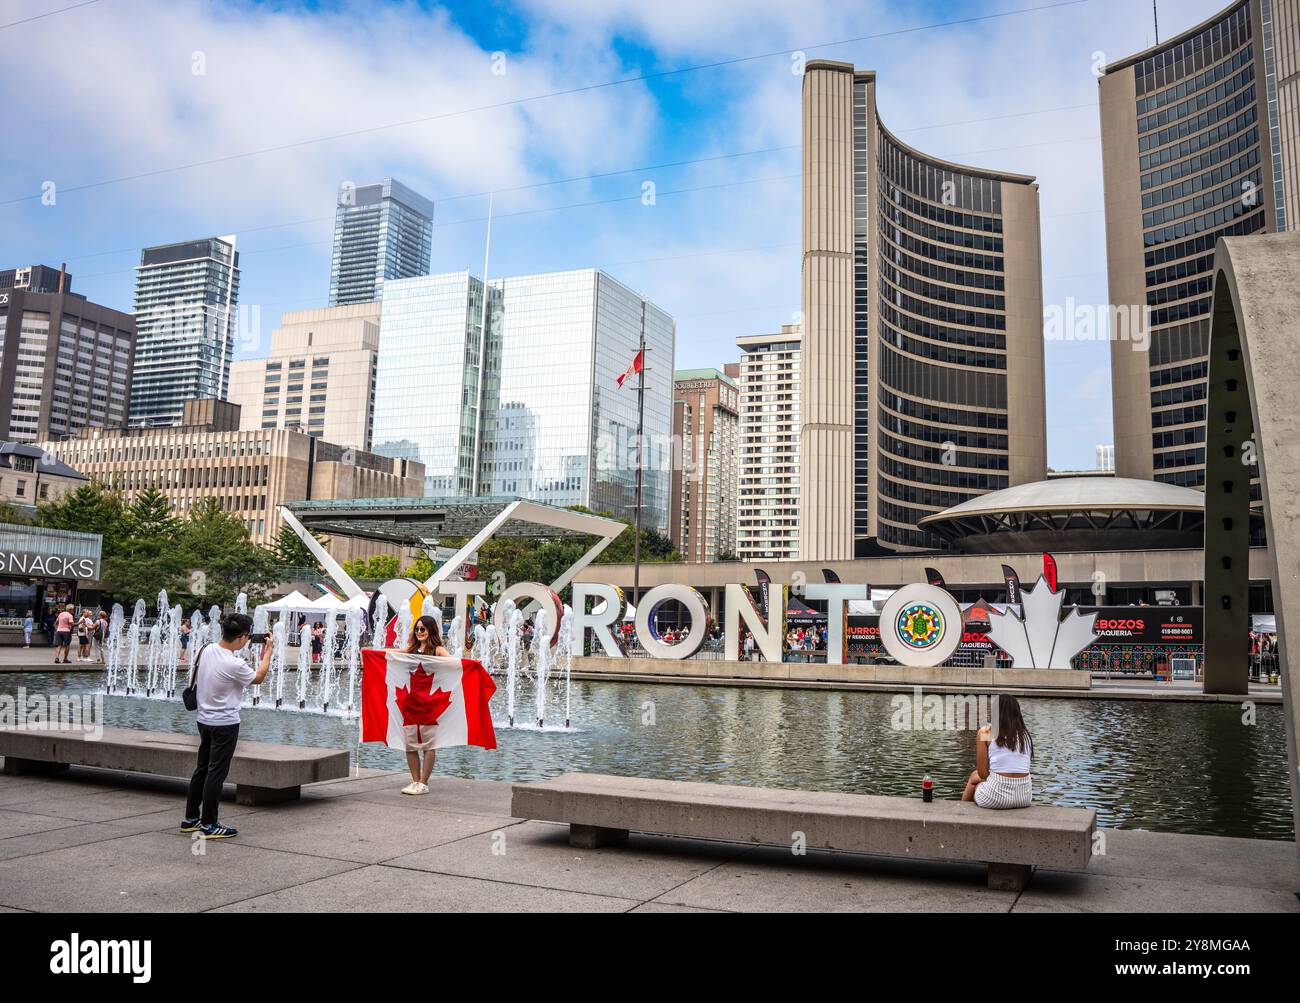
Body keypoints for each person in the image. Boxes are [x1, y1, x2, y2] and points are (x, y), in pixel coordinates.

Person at [182, 613, 272, 839]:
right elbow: (259, 677)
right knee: (216, 773)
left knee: (202, 768)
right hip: (225, 723)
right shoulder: (234, 664)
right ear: (242, 637)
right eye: (248, 636)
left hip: (203, 720)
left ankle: (191, 818)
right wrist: (268, 651)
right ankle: (210, 824)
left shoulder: (207, 649)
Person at [401, 615, 449, 796]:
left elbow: (455, 662)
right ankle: (414, 781)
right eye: (417, 629)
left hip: (428, 703)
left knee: (429, 745)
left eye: (423, 629)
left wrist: (473, 665)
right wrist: (370, 652)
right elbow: (393, 653)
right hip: (411, 703)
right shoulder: (412, 649)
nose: (419, 632)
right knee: (410, 745)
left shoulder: (437, 650)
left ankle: (424, 782)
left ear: (431, 630)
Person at [962, 695, 1033, 809]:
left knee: (974, 780)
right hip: (1024, 797)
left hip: (996, 798)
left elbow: (982, 774)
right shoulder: (1025, 735)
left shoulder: (985, 732)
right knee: (976, 776)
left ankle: (960, 812)